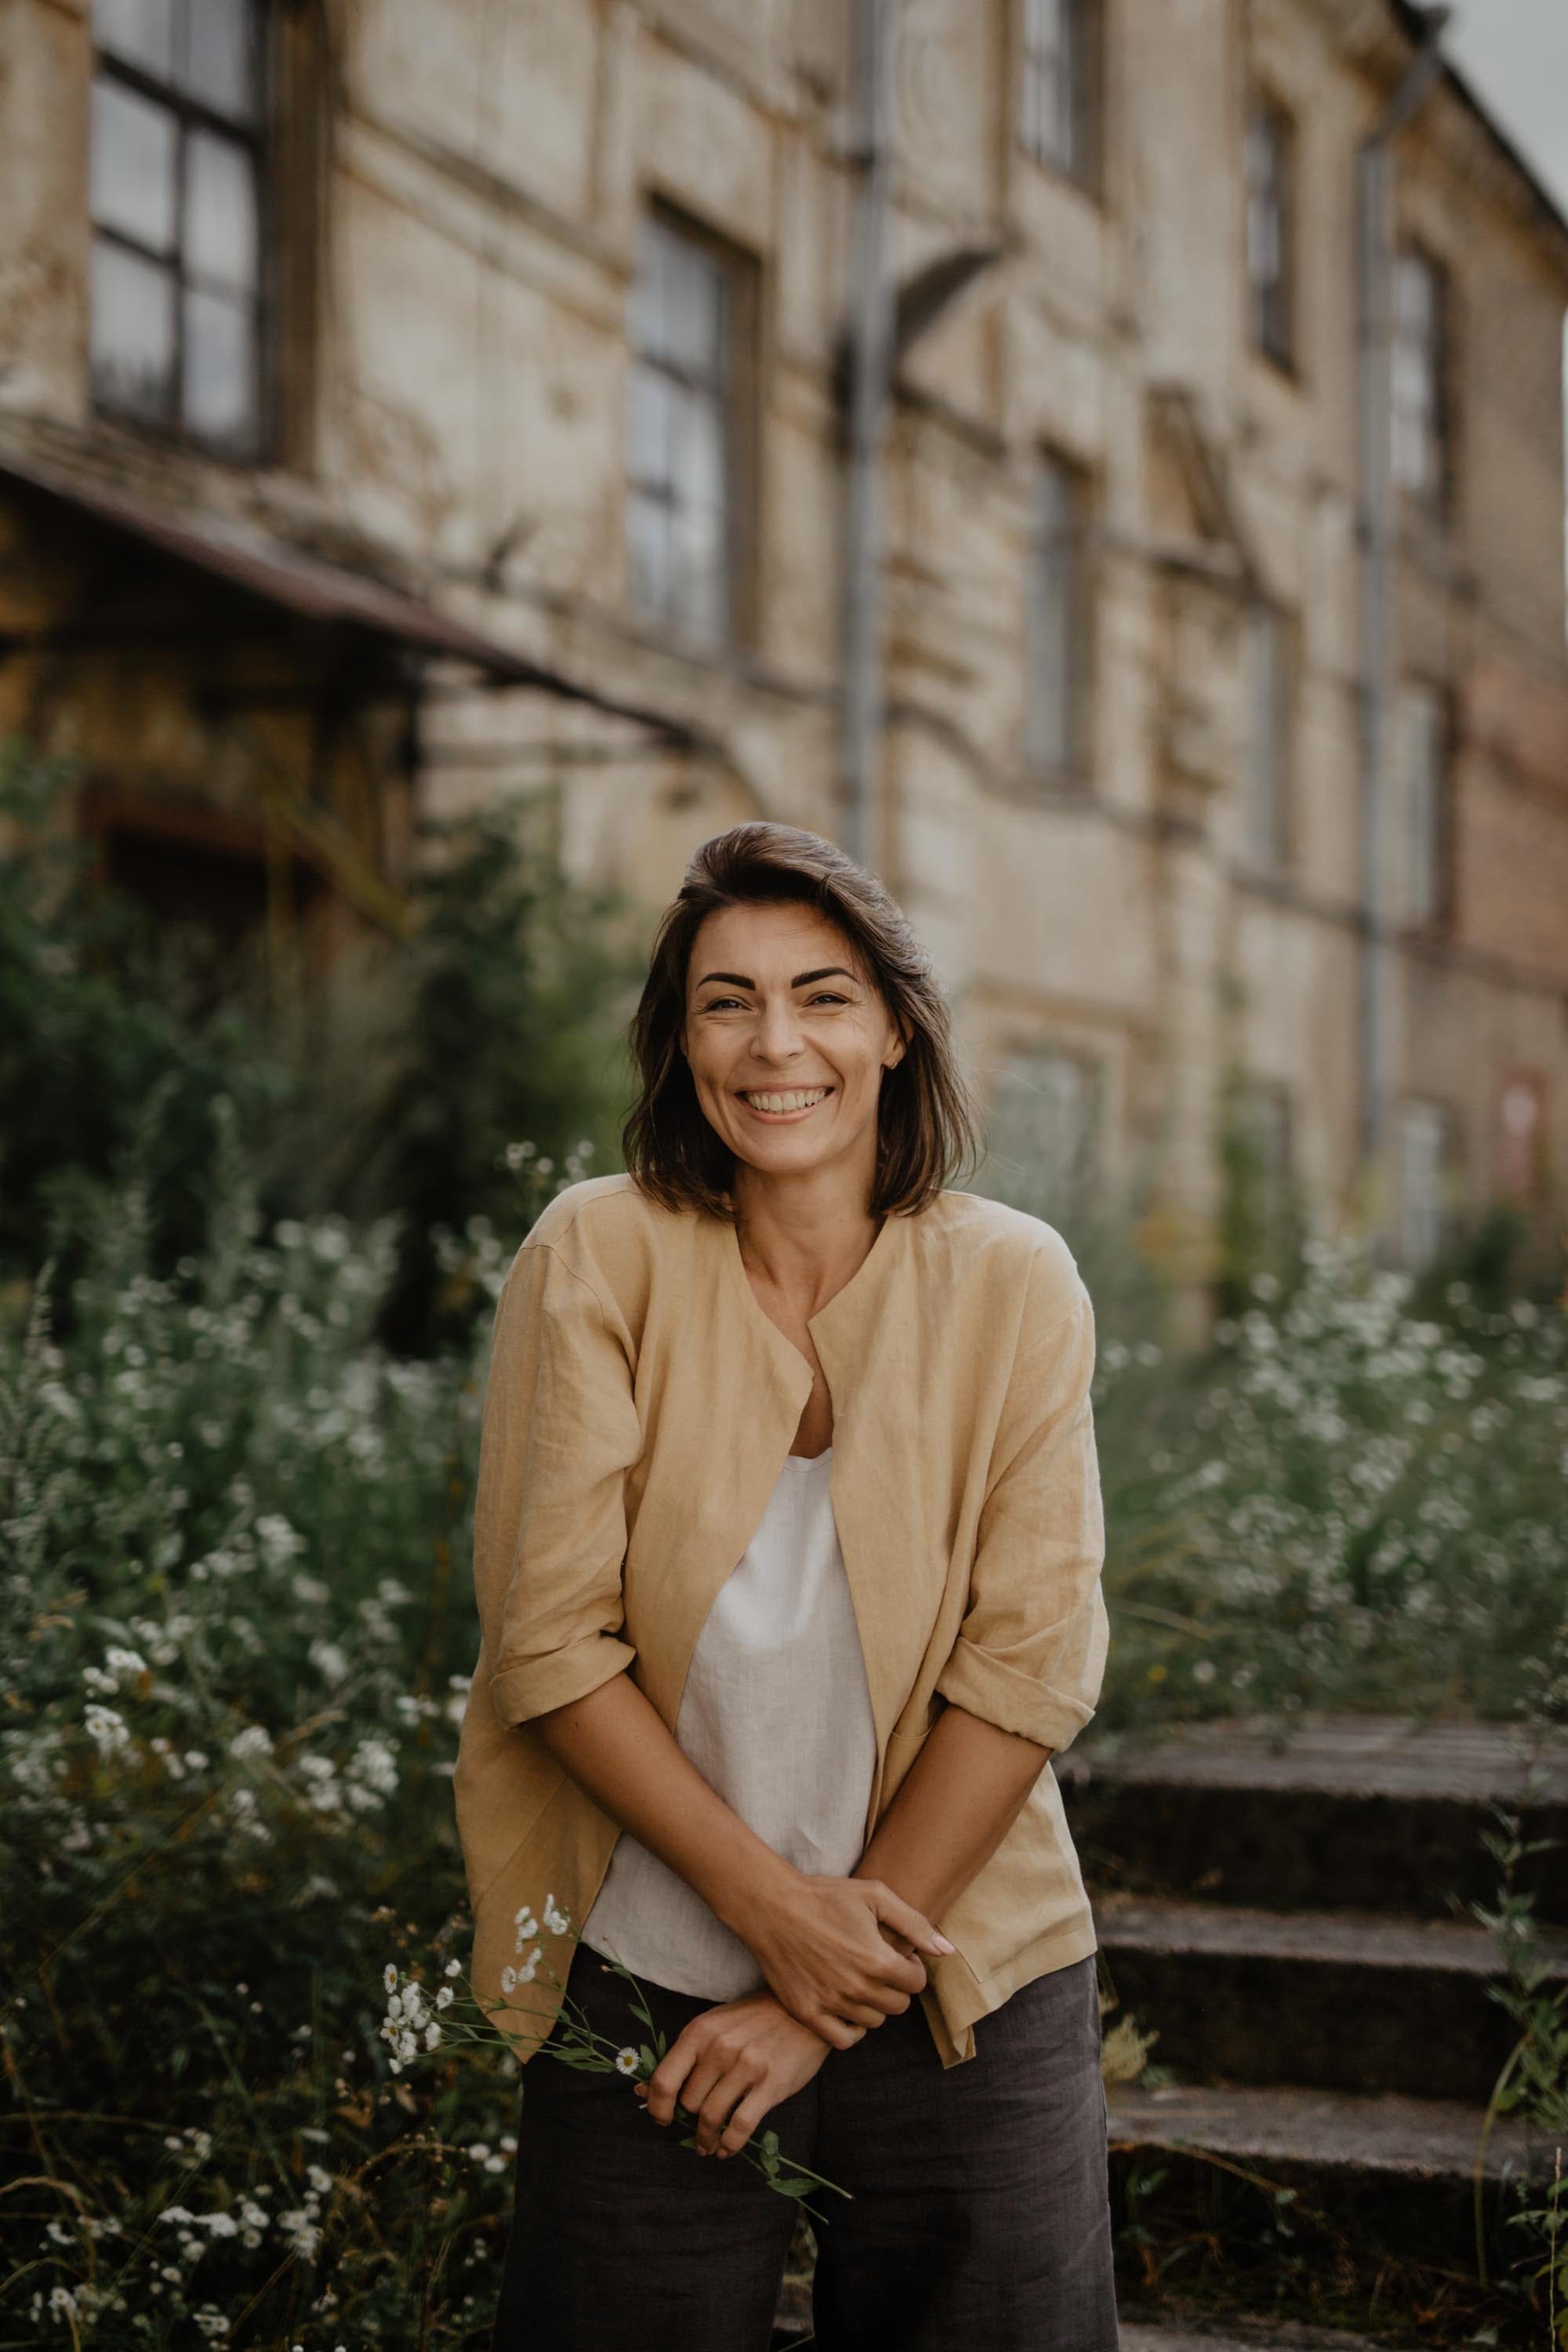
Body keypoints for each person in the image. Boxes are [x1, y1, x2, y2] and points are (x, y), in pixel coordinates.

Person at [455, 821, 1120, 2351]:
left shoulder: (1015, 1281)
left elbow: (1028, 1667)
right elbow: (548, 1644)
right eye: (724, 1001)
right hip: (646, 1967)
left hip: (962, 1961)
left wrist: (819, 1992)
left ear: (895, 1025)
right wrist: (774, 1925)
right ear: (677, 1038)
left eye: (821, 996)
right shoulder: (595, 1254)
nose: (775, 1045)